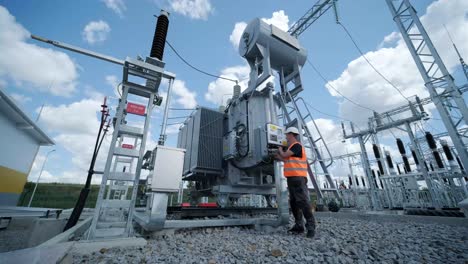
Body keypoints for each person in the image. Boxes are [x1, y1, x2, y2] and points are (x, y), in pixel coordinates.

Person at [276, 126, 316, 238]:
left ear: (291, 134)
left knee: (303, 201)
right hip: (291, 178)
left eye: (287, 134)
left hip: (298, 178)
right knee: (293, 202)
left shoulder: (297, 146)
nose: (286, 137)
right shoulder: (292, 148)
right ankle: (299, 225)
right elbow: (285, 159)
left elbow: (284, 155)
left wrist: (279, 148)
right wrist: (276, 156)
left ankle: (311, 226)